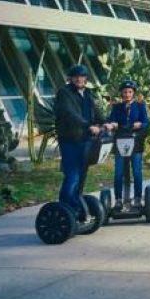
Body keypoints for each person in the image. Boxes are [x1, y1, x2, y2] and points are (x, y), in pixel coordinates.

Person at [54, 64, 107, 221]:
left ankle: (76, 204)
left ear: (86, 78)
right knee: (72, 174)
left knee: (82, 174)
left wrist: (106, 123)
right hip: (70, 140)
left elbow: (96, 113)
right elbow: (70, 114)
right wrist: (88, 125)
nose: (79, 78)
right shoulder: (64, 93)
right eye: (75, 76)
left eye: (82, 76)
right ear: (70, 78)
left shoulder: (87, 94)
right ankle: (66, 207)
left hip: (85, 140)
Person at [106, 79, 150, 210]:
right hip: (120, 142)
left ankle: (137, 198)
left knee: (136, 171)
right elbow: (112, 120)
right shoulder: (117, 107)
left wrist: (140, 124)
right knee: (119, 172)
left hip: (136, 143)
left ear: (134, 93)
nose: (127, 94)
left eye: (130, 92)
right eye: (125, 92)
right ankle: (119, 199)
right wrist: (112, 124)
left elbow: (146, 123)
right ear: (121, 93)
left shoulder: (140, 107)